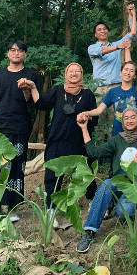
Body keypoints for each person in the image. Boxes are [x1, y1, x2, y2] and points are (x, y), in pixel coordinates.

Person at [34, 62, 97, 226]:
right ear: (65, 73)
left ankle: (93, 202)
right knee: (52, 176)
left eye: (78, 70)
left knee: (86, 172)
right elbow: (42, 104)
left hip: (79, 140)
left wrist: (86, 117)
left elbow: (94, 116)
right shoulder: (58, 90)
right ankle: (50, 210)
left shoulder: (88, 94)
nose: (74, 73)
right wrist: (33, 87)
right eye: (71, 70)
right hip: (58, 140)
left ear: (82, 74)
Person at [75, 106, 137, 253]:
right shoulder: (117, 140)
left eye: (133, 117)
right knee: (106, 184)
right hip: (118, 183)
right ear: (122, 122)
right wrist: (83, 128)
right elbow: (93, 152)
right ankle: (89, 231)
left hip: (134, 188)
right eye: (126, 118)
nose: (129, 120)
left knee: (122, 212)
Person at [0, 40, 42, 222]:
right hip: (0, 127)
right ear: (8, 53)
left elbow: (33, 101)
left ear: (25, 54)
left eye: (20, 51)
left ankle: (13, 207)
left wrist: (26, 88)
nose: (16, 53)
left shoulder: (31, 75)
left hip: (20, 125)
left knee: (17, 166)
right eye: (13, 50)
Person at [77, 61, 137, 138]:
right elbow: (98, 110)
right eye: (126, 70)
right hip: (118, 134)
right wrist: (86, 113)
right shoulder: (112, 92)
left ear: (135, 75)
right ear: (120, 72)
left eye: (131, 71)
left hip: (136, 133)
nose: (128, 73)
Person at [87, 7, 137, 137]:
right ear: (95, 34)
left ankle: (113, 150)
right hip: (99, 89)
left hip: (116, 87)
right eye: (99, 30)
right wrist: (117, 47)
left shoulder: (117, 43)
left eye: (104, 29)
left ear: (108, 32)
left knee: (116, 120)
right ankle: (98, 152)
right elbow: (102, 51)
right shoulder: (92, 48)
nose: (102, 31)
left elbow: (132, 32)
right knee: (99, 121)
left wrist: (132, 15)